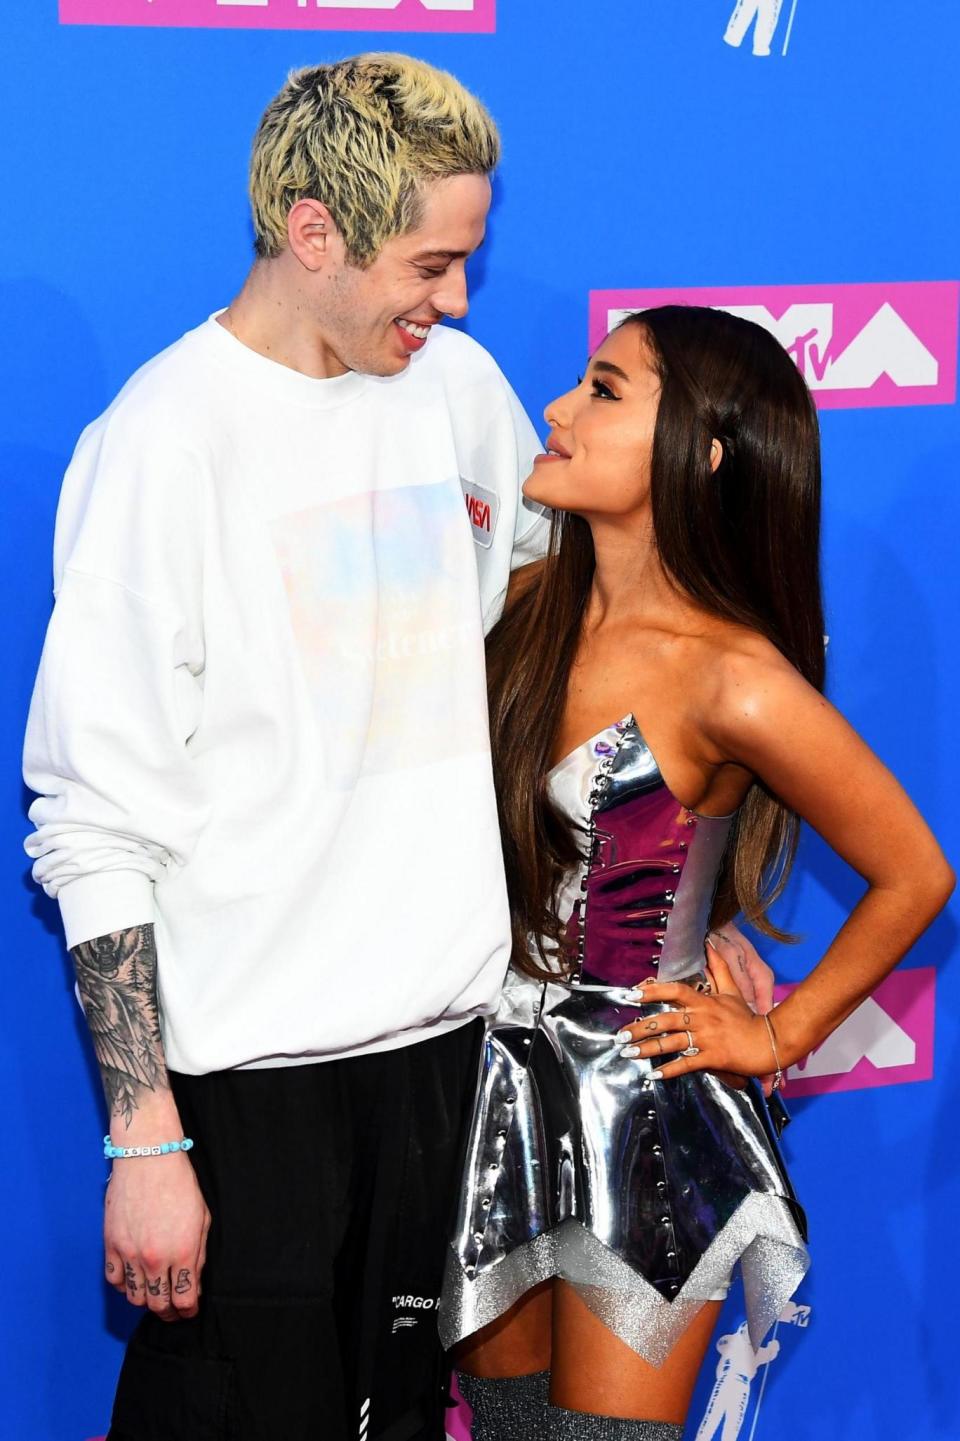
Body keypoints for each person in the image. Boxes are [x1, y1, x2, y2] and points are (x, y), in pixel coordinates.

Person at [22, 59, 771, 1441]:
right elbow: (91, 816)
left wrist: (690, 896)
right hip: (254, 1096)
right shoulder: (163, 443)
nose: (459, 301)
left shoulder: (457, 390)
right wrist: (145, 1135)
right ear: (316, 236)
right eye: (430, 263)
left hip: (459, 1068)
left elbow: (583, 668)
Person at [440, 305, 954, 1440]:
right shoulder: (523, 610)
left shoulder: (736, 679)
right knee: (507, 1426)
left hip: (642, 1116)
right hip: (489, 1090)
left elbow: (915, 871)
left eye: (606, 391)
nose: (560, 412)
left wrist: (778, 1036)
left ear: (704, 451)